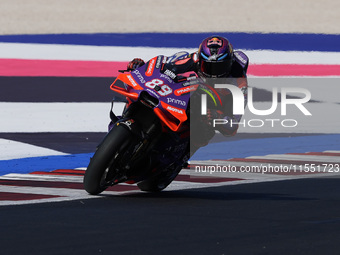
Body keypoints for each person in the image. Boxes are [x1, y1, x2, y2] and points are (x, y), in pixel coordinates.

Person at [125, 35, 249, 138]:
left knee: (205, 132)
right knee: (144, 90)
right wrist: (142, 67)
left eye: (219, 67)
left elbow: (233, 126)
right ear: (200, 60)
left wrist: (218, 116)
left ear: (230, 63)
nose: (213, 72)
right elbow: (165, 66)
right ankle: (125, 117)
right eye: (208, 66)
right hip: (178, 95)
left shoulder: (239, 83)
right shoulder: (191, 58)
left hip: (205, 111)